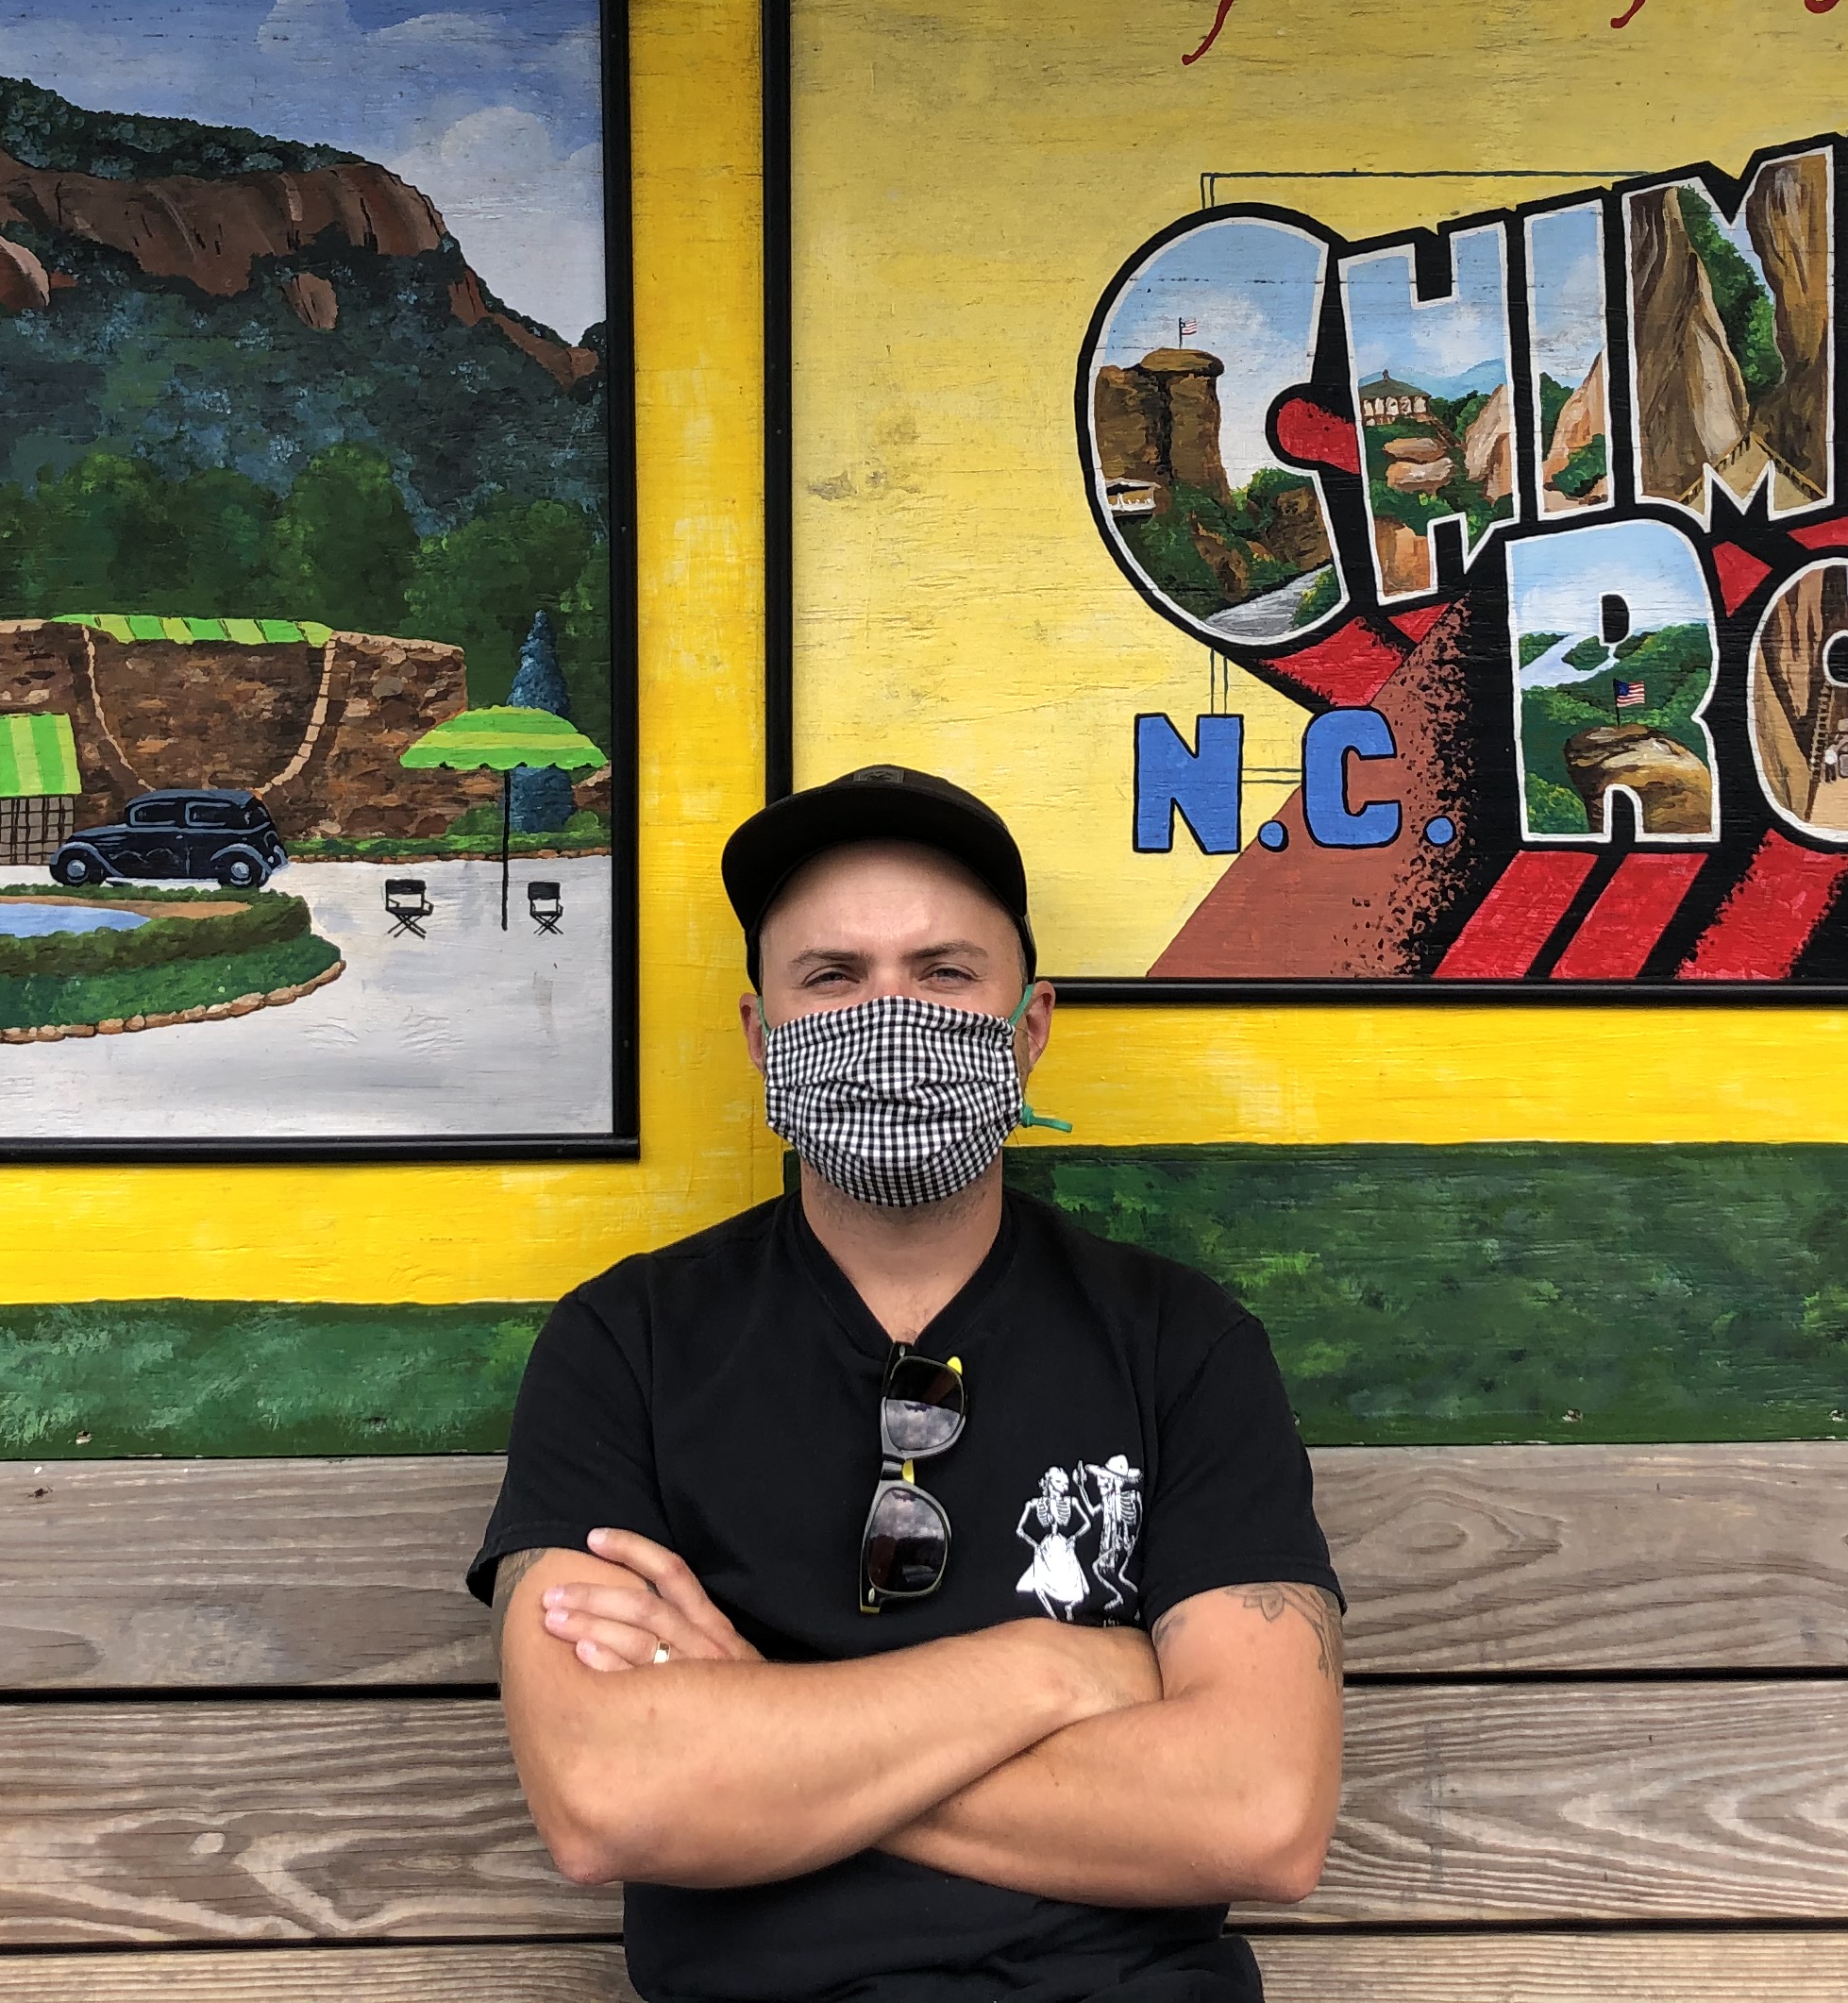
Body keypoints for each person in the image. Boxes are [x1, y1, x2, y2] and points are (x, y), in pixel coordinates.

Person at [466, 764, 1347, 2003]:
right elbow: (608, 1799)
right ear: (761, 1035)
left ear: (1029, 1026)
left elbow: (1260, 1816)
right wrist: (1056, 1672)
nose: (891, 1019)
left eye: (944, 973)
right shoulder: (624, 1345)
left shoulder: (1183, 1345)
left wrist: (759, 1730)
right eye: (833, 977)